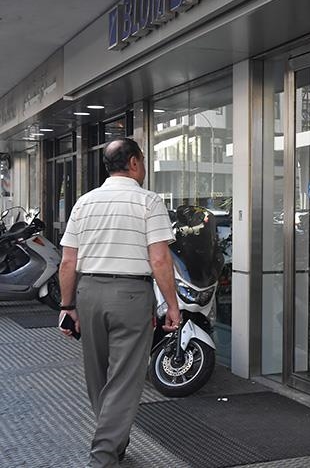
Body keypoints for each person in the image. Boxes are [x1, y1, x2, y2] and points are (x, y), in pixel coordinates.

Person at [57, 138, 182, 467]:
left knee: (98, 376)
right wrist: (172, 305)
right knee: (125, 379)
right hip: (131, 295)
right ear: (135, 163)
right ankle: (103, 457)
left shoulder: (84, 203)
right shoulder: (149, 201)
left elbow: (68, 261)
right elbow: (160, 259)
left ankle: (115, 443)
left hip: (88, 293)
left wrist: (67, 307)